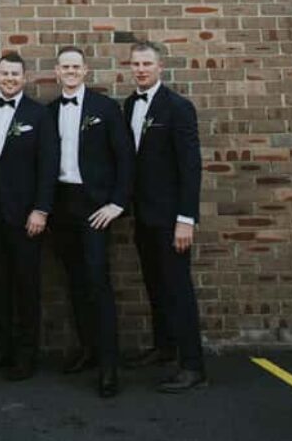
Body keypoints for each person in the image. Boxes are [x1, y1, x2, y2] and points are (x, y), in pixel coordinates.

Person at [120, 41, 208, 392]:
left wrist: (186, 218)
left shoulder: (178, 107)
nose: (141, 69)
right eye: (136, 64)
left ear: (160, 67)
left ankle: (193, 366)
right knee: (155, 284)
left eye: (147, 63)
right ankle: (164, 347)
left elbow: (190, 167)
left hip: (172, 218)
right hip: (144, 215)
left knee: (178, 289)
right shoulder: (129, 105)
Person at [49, 45, 133, 398]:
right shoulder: (49, 111)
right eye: (64, 66)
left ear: (85, 71)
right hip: (60, 203)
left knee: (97, 280)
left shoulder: (105, 108)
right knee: (75, 280)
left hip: (94, 204)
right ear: (57, 72)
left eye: (76, 66)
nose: (70, 71)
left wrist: (117, 203)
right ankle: (88, 349)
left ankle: (109, 366)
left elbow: (126, 158)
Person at [0, 51, 58, 381]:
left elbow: (47, 166)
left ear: (24, 78)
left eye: (14, 74)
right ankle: (1, 349)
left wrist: (41, 209)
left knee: (26, 286)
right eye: (4, 73)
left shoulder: (39, 114)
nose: (9, 79)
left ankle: (26, 355)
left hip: (26, 217)